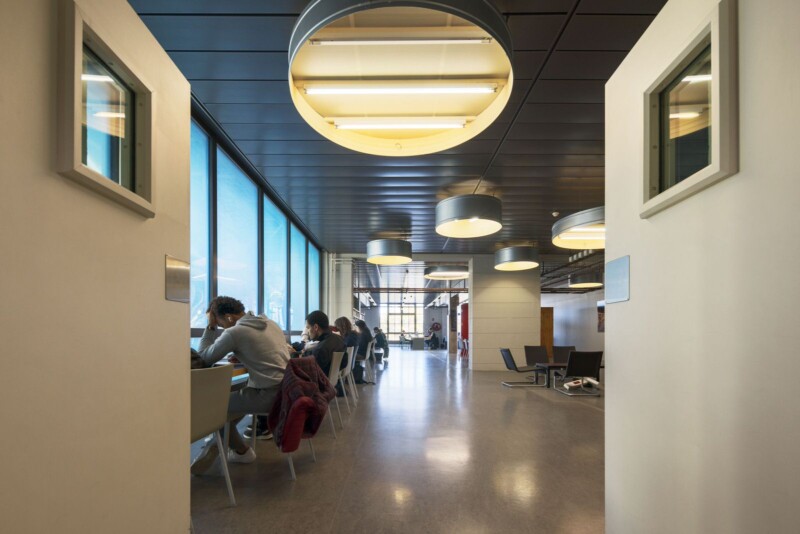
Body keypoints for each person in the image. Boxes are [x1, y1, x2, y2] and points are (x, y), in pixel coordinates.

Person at [191, 296, 290, 475]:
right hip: (287, 390)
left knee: (215, 408)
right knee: (233, 394)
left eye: (220, 323)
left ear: (229, 317)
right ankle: (222, 440)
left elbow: (203, 358)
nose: (221, 328)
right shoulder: (270, 323)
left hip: (268, 395)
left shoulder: (235, 332)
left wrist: (210, 327)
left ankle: (241, 451)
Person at [302, 310, 346, 376]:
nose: (307, 331)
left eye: (308, 328)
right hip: (331, 379)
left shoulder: (320, 349)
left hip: (320, 383)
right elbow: (345, 363)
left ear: (316, 327)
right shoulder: (340, 339)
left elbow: (308, 372)